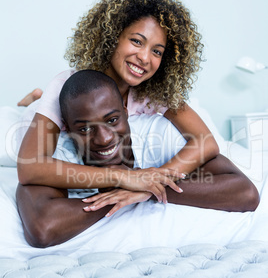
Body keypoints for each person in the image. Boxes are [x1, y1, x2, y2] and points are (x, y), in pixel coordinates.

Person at [17, 0, 219, 205]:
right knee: (28, 112)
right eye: (136, 41)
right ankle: (33, 99)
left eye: (157, 51)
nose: (144, 57)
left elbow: (206, 142)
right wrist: (125, 177)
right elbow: (29, 166)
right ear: (112, 38)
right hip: (45, 107)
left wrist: (153, 182)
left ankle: (36, 96)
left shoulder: (153, 92)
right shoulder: (65, 85)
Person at [16, 70, 259, 248]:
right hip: (39, 115)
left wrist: (148, 188)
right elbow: (43, 228)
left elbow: (245, 193)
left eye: (112, 120)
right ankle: (32, 100)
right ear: (68, 129)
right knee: (24, 115)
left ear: (126, 111)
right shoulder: (58, 151)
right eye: (85, 129)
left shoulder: (158, 132)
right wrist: (123, 182)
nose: (103, 139)